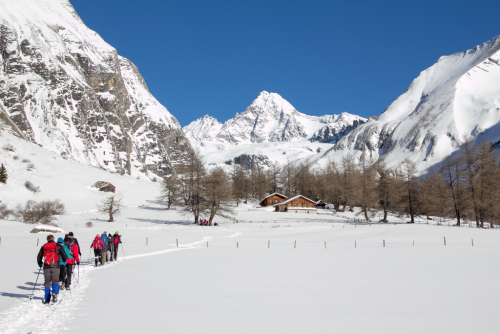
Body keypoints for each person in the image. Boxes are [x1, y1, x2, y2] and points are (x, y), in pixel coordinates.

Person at [37, 235, 67, 304]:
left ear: (47, 239)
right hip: (56, 266)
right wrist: (64, 261)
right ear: (53, 239)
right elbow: (64, 255)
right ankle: (55, 293)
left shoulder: (44, 246)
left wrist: (40, 263)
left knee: (47, 282)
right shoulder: (57, 246)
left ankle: (47, 298)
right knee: (55, 281)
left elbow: (39, 256)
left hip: (46, 267)